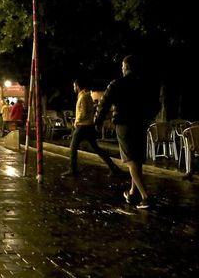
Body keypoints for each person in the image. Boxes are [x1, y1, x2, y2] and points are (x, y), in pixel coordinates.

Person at [94, 55, 158, 209]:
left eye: (122, 66)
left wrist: (98, 121)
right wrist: (148, 117)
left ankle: (145, 197)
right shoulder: (145, 85)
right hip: (141, 124)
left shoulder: (117, 84)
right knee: (137, 159)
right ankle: (132, 192)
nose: (122, 69)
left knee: (130, 160)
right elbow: (156, 104)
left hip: (124, 124)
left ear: (126, 67)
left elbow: (104, 103)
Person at [62, 79, 124, 178]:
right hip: (89, 126)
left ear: (77, 86)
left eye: (74, 86)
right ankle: (113, 168)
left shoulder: (83, 97)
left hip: (82, 126)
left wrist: (76, 121)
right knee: (97, 148)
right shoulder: (87, 96)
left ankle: (73, 169)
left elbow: (83, 112)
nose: (73, 88)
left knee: (73, 147)